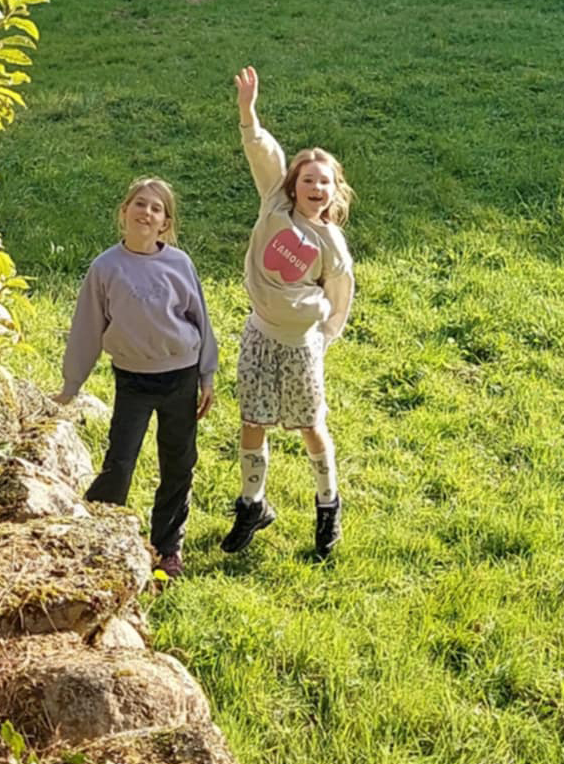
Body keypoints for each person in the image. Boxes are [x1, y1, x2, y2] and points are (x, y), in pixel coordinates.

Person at [222, 65, 357, 559]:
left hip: (301, 347)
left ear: (333, 192)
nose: (315, 187)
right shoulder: (273, 206)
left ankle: (328, 506)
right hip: (259, 335)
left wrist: (322, 336)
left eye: (324, 182)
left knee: (309, 426)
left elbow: (340, 295)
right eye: (307, 179)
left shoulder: (331, 243)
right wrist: (247, 111)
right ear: (294, 184)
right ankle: (251, 504)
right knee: (251, 419)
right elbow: (263, 152)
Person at [54, 177, 220, 574]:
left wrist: (207, 376)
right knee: (121, 460)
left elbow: (202, 321)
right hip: (133, 379)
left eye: (157, 208)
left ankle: (168, 547)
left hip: (180, 374)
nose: (147, 212)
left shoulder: (179, 264)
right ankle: (96, 531)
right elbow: (87, 329)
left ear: (165, 223)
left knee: (178, 462)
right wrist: (71, 385)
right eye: (140, 204)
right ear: (124, 212)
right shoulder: (106, 268)